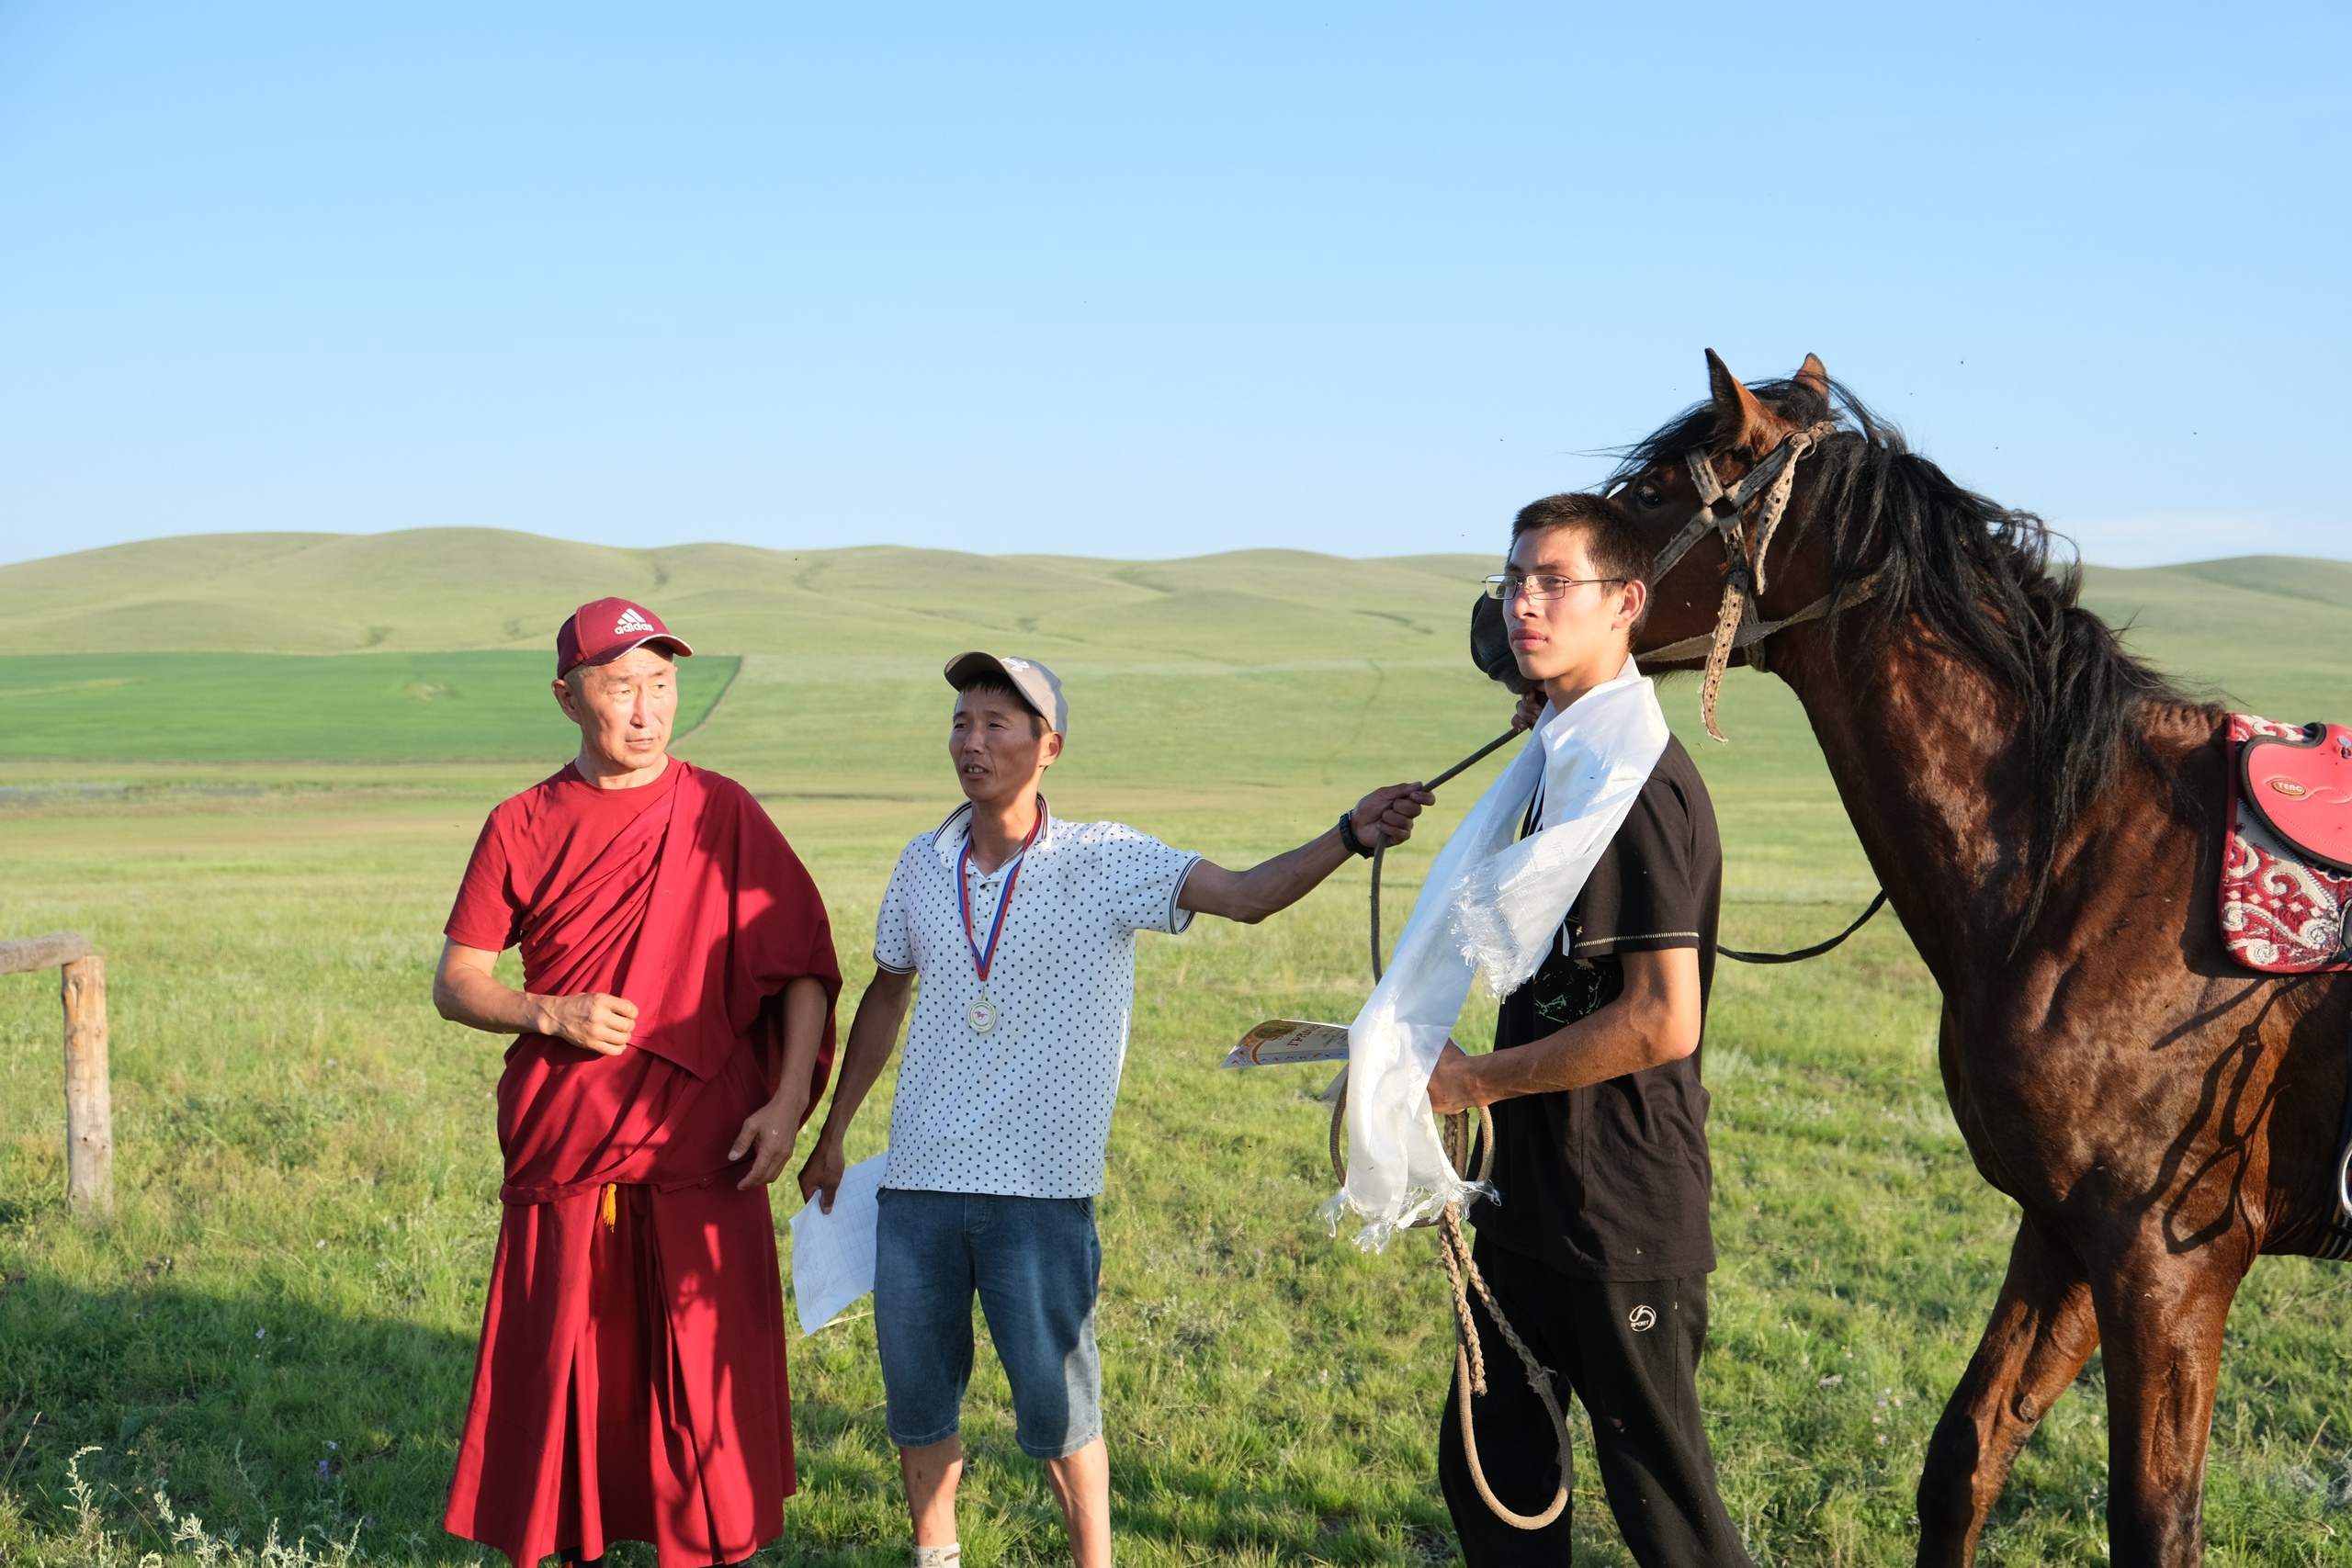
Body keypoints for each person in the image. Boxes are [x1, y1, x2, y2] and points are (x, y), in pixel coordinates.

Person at [795, 651, 1435, 1568]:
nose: (971, 743)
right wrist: (834, 1134)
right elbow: (886, 993)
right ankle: (935, 1558)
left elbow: (1247, 898)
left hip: (1041, 1197)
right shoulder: (920, 866)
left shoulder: (1109, 859)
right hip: (918, 1187)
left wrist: (1346, 834)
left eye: (996, 725)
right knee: (918, 1403)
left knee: (1060, 1412)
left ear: (1047, 745)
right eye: (961, 724)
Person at [433, 597, 842, 1568]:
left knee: (709, 1383)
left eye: (662, 685)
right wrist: (549, 1011)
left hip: (708, 1153)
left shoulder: (721, 812)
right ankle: (568, 1539)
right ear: (569, 698)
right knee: (570, 1370)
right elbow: (457, 981)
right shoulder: (521, 824)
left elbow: (804, 970)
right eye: (622, 688)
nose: (647, 709)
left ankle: (710, 1548)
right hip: (572, 1151)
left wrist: (786, 1108)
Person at [1424, 495, 1753, 1567]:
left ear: (1626, 605)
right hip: (1525, 1199)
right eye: (1514, 579)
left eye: (1553, 581)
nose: (1524, 601)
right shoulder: (1563, 768)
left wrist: (1475, 1082)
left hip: (1620, 1214)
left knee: (1670, 1522)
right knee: (1493, 1480)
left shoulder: (1639, 789)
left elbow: (1662, 1020)